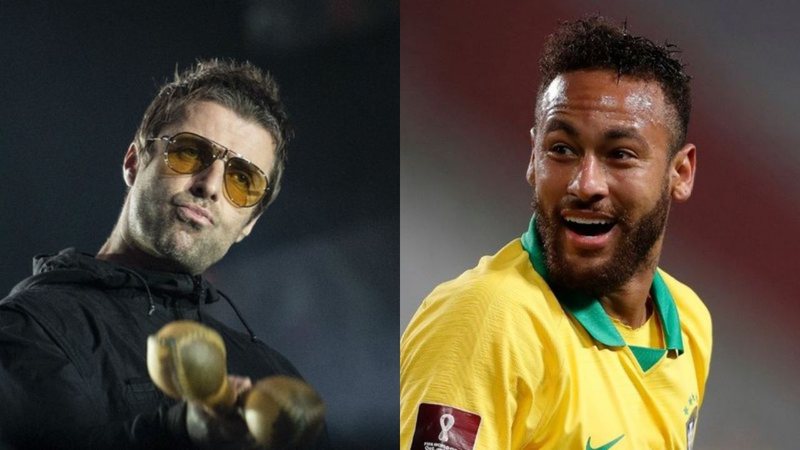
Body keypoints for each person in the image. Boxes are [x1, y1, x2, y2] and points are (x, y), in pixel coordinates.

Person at [400, 17, 711, 450]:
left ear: (680, 173)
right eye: (561, 149)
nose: (585, 184)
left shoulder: (689, 322)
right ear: (533, 158)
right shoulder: (487, 321)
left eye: (620, 155)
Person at [0, 59, 329, 449]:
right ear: (134, 161)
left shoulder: (270, 374)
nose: (209, 185)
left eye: (242, 179)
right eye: (189, 152)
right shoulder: (30, 328)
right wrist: (177, 432)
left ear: (249, 224)